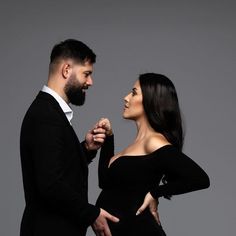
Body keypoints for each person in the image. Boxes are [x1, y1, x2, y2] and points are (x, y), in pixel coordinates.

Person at [20, 39, 119, 236]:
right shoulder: (46, 116)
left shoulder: (50, 112)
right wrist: (92, 214)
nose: (90, 82)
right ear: (66, 70)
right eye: (87, 74)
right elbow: (50, 185)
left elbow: (57, 167)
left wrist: (86, 149)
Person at [95, 73, 210, 236]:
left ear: (151, 100)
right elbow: (105, 182)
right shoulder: (137, 146)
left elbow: (200, 179)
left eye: (134, 92)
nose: (126, 98)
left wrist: (155, 193)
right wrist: (108, 139)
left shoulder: (154, 142)